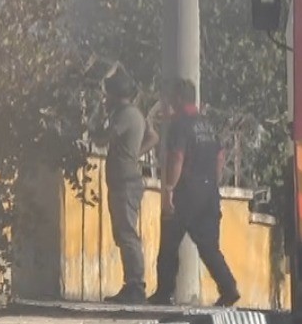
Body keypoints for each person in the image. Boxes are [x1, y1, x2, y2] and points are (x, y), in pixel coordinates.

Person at [149, 78, 241, 307]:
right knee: (209, 246)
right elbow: (220, 156)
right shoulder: (207, 124)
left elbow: (177, 157)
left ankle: (164, 293)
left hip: (186, 193)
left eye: (170, 97)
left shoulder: (179, 125)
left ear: (178, 99)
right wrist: (212, 181)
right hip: (209, 193)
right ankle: (229, 288)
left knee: (169, 245)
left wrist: (169, 188)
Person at [95, 69, 159, 304]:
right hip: (126, 178)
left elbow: (102, 139)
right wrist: (134, 154)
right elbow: (153, 137)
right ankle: (132, 283)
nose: (105, 99)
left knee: (127, 233)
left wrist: (96, 120)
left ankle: (135, 285)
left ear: (115, 94)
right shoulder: (137, 113)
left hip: (124, 181)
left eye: (107, 94)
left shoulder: (123, 115)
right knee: (124, 232)